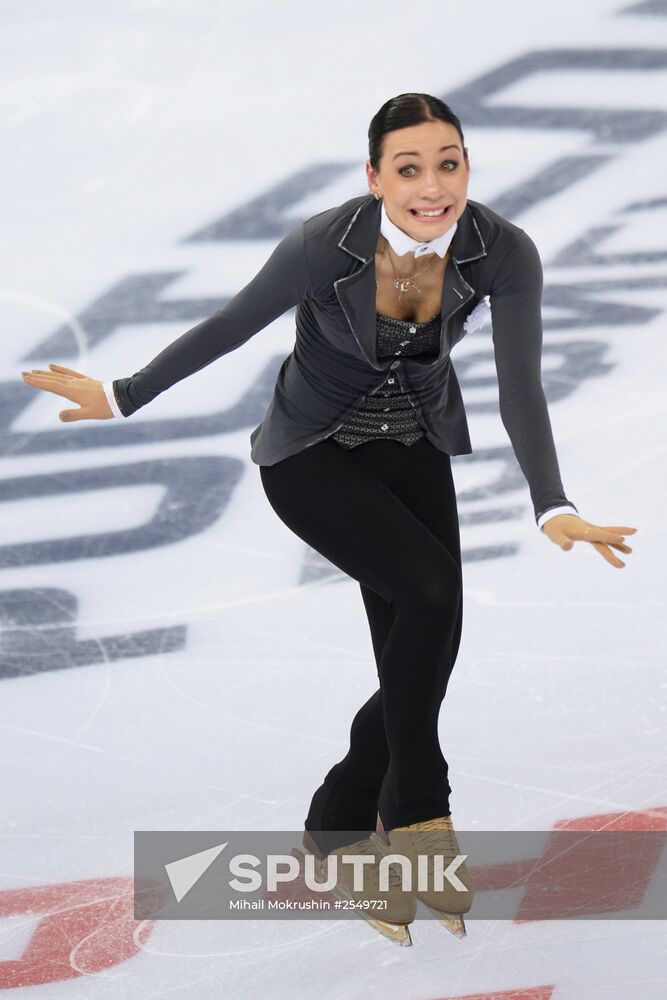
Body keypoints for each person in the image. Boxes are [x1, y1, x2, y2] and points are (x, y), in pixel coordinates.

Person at [21, 93, 637, 945]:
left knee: (428, 639)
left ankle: (340, 815)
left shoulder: (501, 250)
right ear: (374, 175)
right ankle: (418, 813)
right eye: (409, 167)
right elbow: (233, 325)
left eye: (448, 162)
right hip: (311, 451)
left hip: (413, 441)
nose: (432, 186)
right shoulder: (325, 245)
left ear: (467, 165)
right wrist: (124, 395)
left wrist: (551, 502)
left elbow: (521, 386)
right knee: (428, 594)